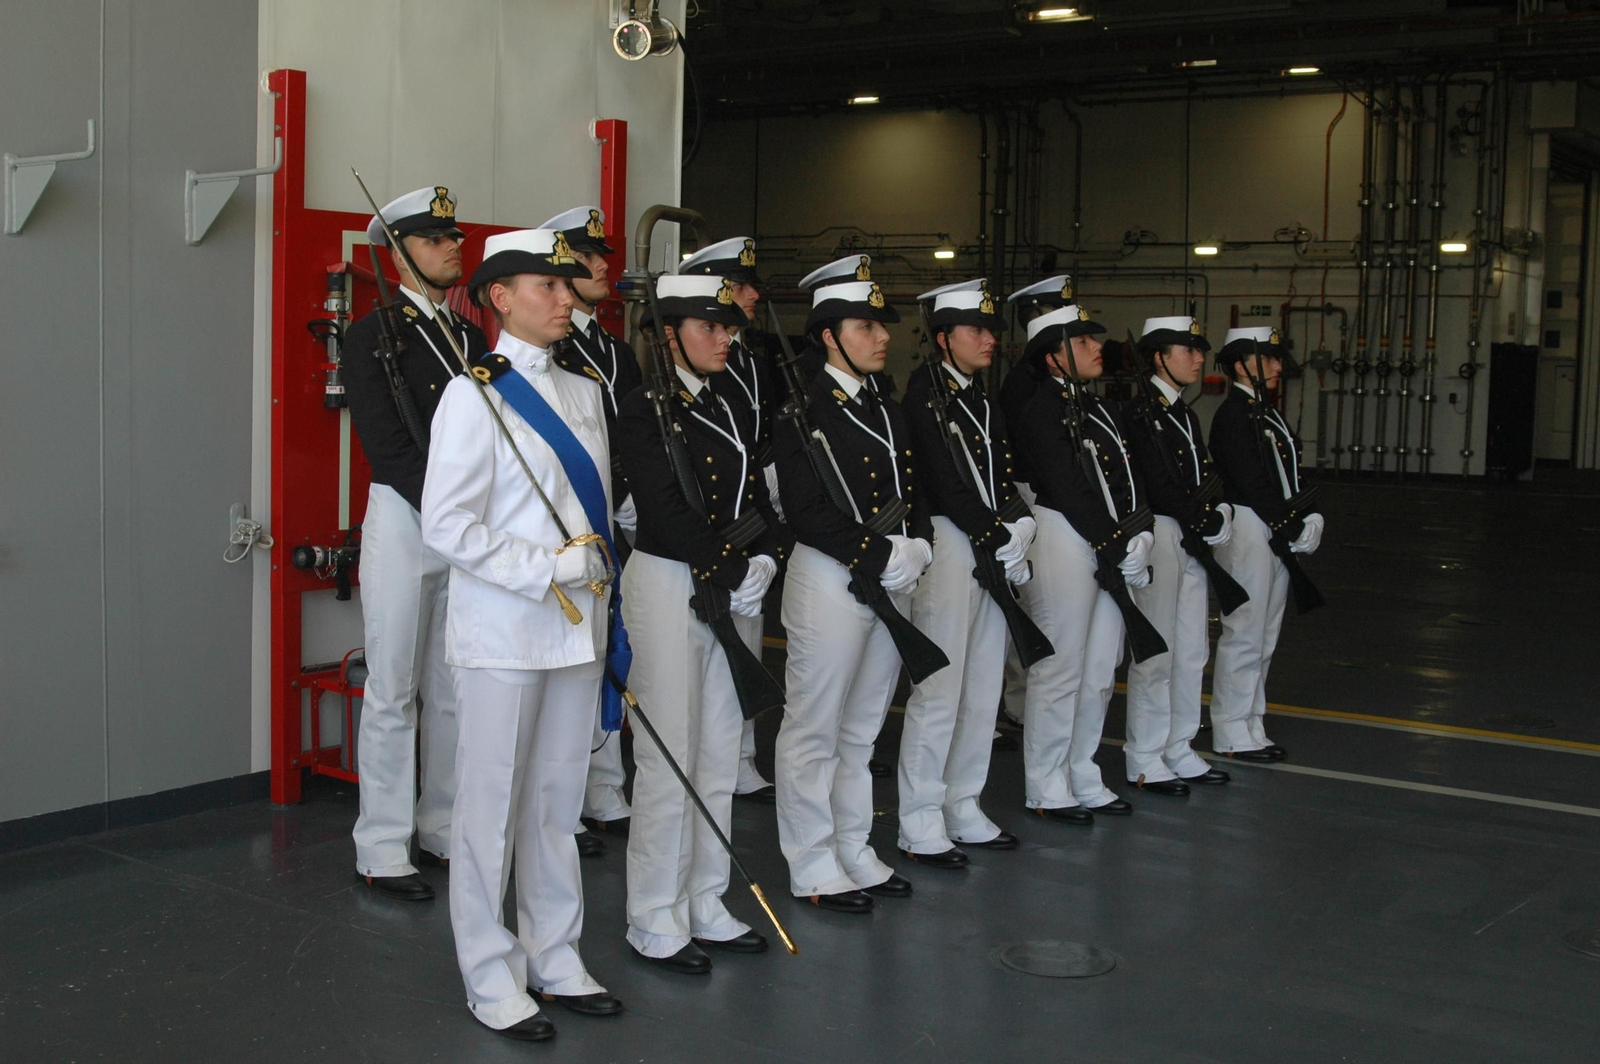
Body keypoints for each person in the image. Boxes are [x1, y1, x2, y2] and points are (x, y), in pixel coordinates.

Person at [421, 228, 626, 1041]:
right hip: (507, 630)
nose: (565, 298)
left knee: (553, 804)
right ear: (499, 297)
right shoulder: (470, 396)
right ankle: (490, 972)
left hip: (578, 635)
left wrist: (592, 581)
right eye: (546, 286)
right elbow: (447, 525)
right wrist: (548, 566)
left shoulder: (583, 391)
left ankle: (556, 952)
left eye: (567, 285)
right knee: (489, 809)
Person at [616, 273, 792, 974]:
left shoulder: (726, 400)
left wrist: (766, 561)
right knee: (669, 753)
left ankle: (704, 897)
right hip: (668, 584)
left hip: (727, 583)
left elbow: (757, 495)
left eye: (728, 327)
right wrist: (732, 567)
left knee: (719, 748)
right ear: (669, 336)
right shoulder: (643, 407)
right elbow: (660, 507)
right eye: (708, 327)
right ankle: (653, 913)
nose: (725, 337)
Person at [343, 185, 486, 901]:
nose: (452, 246)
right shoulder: (372, 334)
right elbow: (387, 444)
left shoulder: (472, 338)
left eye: (453, 236)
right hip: (405, 517)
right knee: (394, 688)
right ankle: (381, 845)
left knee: (453, 686)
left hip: (462, 524)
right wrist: (450, 509)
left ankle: (441, 828)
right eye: (435, 239)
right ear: (398, 255)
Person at [773, 275, 933, 912]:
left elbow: (913, 482)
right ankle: (811, 861)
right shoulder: (801, 409)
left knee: (862, 730)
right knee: (815, 728)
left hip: (892, 573)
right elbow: (805, 508)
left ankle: (853, 846)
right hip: (833, 577)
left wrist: (918, 544)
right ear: (827, 338)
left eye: (881, 325)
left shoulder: (882, 404)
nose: (882, 336)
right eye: (865, 326)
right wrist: (879, 554)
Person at [896, 278, 1033, 868]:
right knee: (941, 687)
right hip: (952, 540)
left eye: (993, 331)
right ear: (945, 337)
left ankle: (964, 802)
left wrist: (1019, 523)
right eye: (978, 330)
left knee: (982, 684)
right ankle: (920, 817)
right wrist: (994, 528)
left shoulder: (980, 395)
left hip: (989, 540)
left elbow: (1002, 470)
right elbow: (941, 478)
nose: (990, 341)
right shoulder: (926, 392)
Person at [1006, 303, 1152, 823]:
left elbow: (1125, 481)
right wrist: (1116, 540)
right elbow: (1067, 485)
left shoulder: (1098, 408)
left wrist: (1141, 535)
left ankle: (1082, 769)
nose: (1097, 349)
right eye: (1084, 342)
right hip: (1067, 535)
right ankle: (1046, 783)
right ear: (1053, 356)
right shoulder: (1041, 410)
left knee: (1099, 667)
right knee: (1061, 665)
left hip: (1106, 537)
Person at [538, 205, 643, 854]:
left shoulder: (612, 349)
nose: (603, 264)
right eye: (586, 256)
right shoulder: (553, 347)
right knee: (568, 660)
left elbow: (629, 435)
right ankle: (565, 805)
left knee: (609, 651)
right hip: (569, 527)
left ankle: (606, 789)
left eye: (602, 254)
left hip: (617, 520)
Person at [681, 236, 780, 804]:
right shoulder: (703, 358)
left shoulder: (746, 355)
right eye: (738, 286)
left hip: (749, 505)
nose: (750, 294)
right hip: (704, 515)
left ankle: (740, 755)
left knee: (745, 634)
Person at [1120, 317, 1236, 794]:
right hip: (1163, 530)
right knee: (1158, 651)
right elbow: (1156, 479)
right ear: (1158, 357)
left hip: (1190, 533)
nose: (1198, 357)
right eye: (1186, 350)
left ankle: (1179, 745)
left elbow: (1201, 470)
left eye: (1198, 350)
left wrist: (1218, 509)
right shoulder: (1139, 411)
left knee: (1192, 648)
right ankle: (1145, 755)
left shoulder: (1182, 413)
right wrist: (1198, 514)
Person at [1207, 326, 1325, 763]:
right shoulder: (1234, 415)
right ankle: (1231, 728)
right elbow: (1251, 480)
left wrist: (1310, 513)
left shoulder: (1265, 413)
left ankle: (1251, 719)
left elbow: (1291, 470)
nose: (1278, 367)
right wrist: (1289, 524)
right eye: (1269, 359)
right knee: (1244, 631)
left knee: (1265, 633)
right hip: (1251, 527)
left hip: (1271, 525)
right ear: (1241, 366)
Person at [997, 274, 1075, 733]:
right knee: (1028, 602)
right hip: (1028, 493)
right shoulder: (1024, 382)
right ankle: (1018, 698)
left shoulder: (1060, 380)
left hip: (1052, 498)